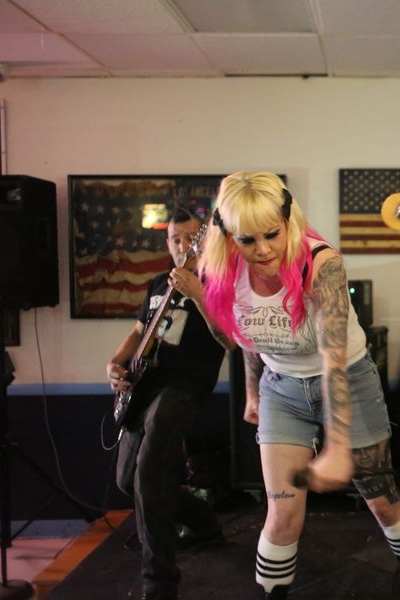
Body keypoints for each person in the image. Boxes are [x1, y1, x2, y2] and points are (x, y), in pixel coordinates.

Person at [199, 172, 400, 600]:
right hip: (281, 388)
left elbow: (333, 360)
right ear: (229, 235)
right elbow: (250, 336)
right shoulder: (225, 270)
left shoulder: (321, 263)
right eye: (248, 240)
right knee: (281, 515)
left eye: (272, 234)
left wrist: (337, 447)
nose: (263, 250)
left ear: (288, 219)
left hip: (349, 379)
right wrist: (253, 391)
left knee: (382, 501)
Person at [107, 207, 229, 600]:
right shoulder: (159, 282)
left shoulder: (219, 282)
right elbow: (138, 330)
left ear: (204, 240)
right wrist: (116, 362)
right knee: (128, 479)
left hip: (186, 384)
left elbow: (230, 339)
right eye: (175, 239)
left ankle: (158, 583)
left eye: (190, 238)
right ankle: (203, 523)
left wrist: (198, 294)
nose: (182, 246)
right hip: (145, 385)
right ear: (168, 242)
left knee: (149, 472)